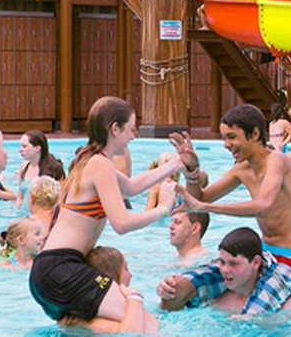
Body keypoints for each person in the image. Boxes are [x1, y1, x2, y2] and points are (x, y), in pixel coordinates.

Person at [29, 95, 194, 324]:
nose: (133, 136)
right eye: (131, 129)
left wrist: (177, 162)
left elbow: (132, 186)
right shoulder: (100, 163)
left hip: (47, 271)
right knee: (147, 324)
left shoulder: (87, 159)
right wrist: (163, 209)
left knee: (102, 328)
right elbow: (121, 224)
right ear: (115, 128)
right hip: (62, 269)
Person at [156, 103, 291, 313]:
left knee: (250, 319)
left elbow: (263, 206)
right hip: (262, 252)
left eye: (231, 137)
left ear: (254, 134)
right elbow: (198, 198)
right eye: (224, 138)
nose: (226, 145)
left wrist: (205, 206)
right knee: (176, 292)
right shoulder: (241, 170)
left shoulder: (278, 160)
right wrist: (192, 171)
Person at [185, 227, 291, 315]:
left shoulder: (282, 305)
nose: (225, 270)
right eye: (222, 262)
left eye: (233, 263)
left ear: (256, 262)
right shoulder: (215, 297)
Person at [59, 246, 159, 333]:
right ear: (113, 276)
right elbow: (131, 335)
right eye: (126, 268)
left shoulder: (75, 314)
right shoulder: (95, 321)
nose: (130, 275)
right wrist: (134, 297)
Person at [16, 130, 65, 208]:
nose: (20, 149)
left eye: (24, 146)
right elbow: (20, 198)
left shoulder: (54, 168)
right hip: (25, 213)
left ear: (37, 148)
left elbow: (63, 197)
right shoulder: (24, 167)